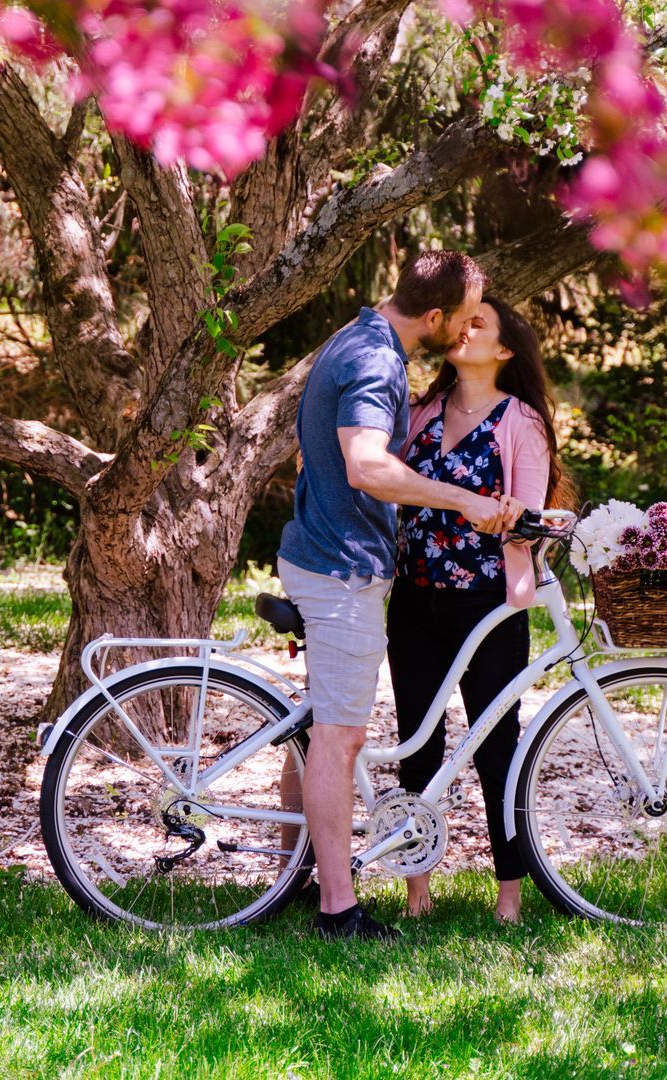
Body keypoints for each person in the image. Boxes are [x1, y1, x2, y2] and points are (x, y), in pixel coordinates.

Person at [276, 250, 516, 941]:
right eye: (465, 318)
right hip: (340, 570)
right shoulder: (377, 362)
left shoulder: (353, 338)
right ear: (434, 317)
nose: (470, 329)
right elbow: (366, 465)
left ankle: (293, 875)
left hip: (321, 556)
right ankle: (337, 911)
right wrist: (463, 501)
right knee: (340, 739)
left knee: (320, 728)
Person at [387, 293, 570, 923]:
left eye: (480, 325)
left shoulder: (522, 421)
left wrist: (515, 520)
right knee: (418, 743)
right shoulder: (419, 413)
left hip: (490, 605)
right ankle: (416, 893)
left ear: (505, 350)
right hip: (413, 599)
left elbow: (529, 513)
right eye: (463, 322)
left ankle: (510, 896)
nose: (465, 332)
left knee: (498, 748)